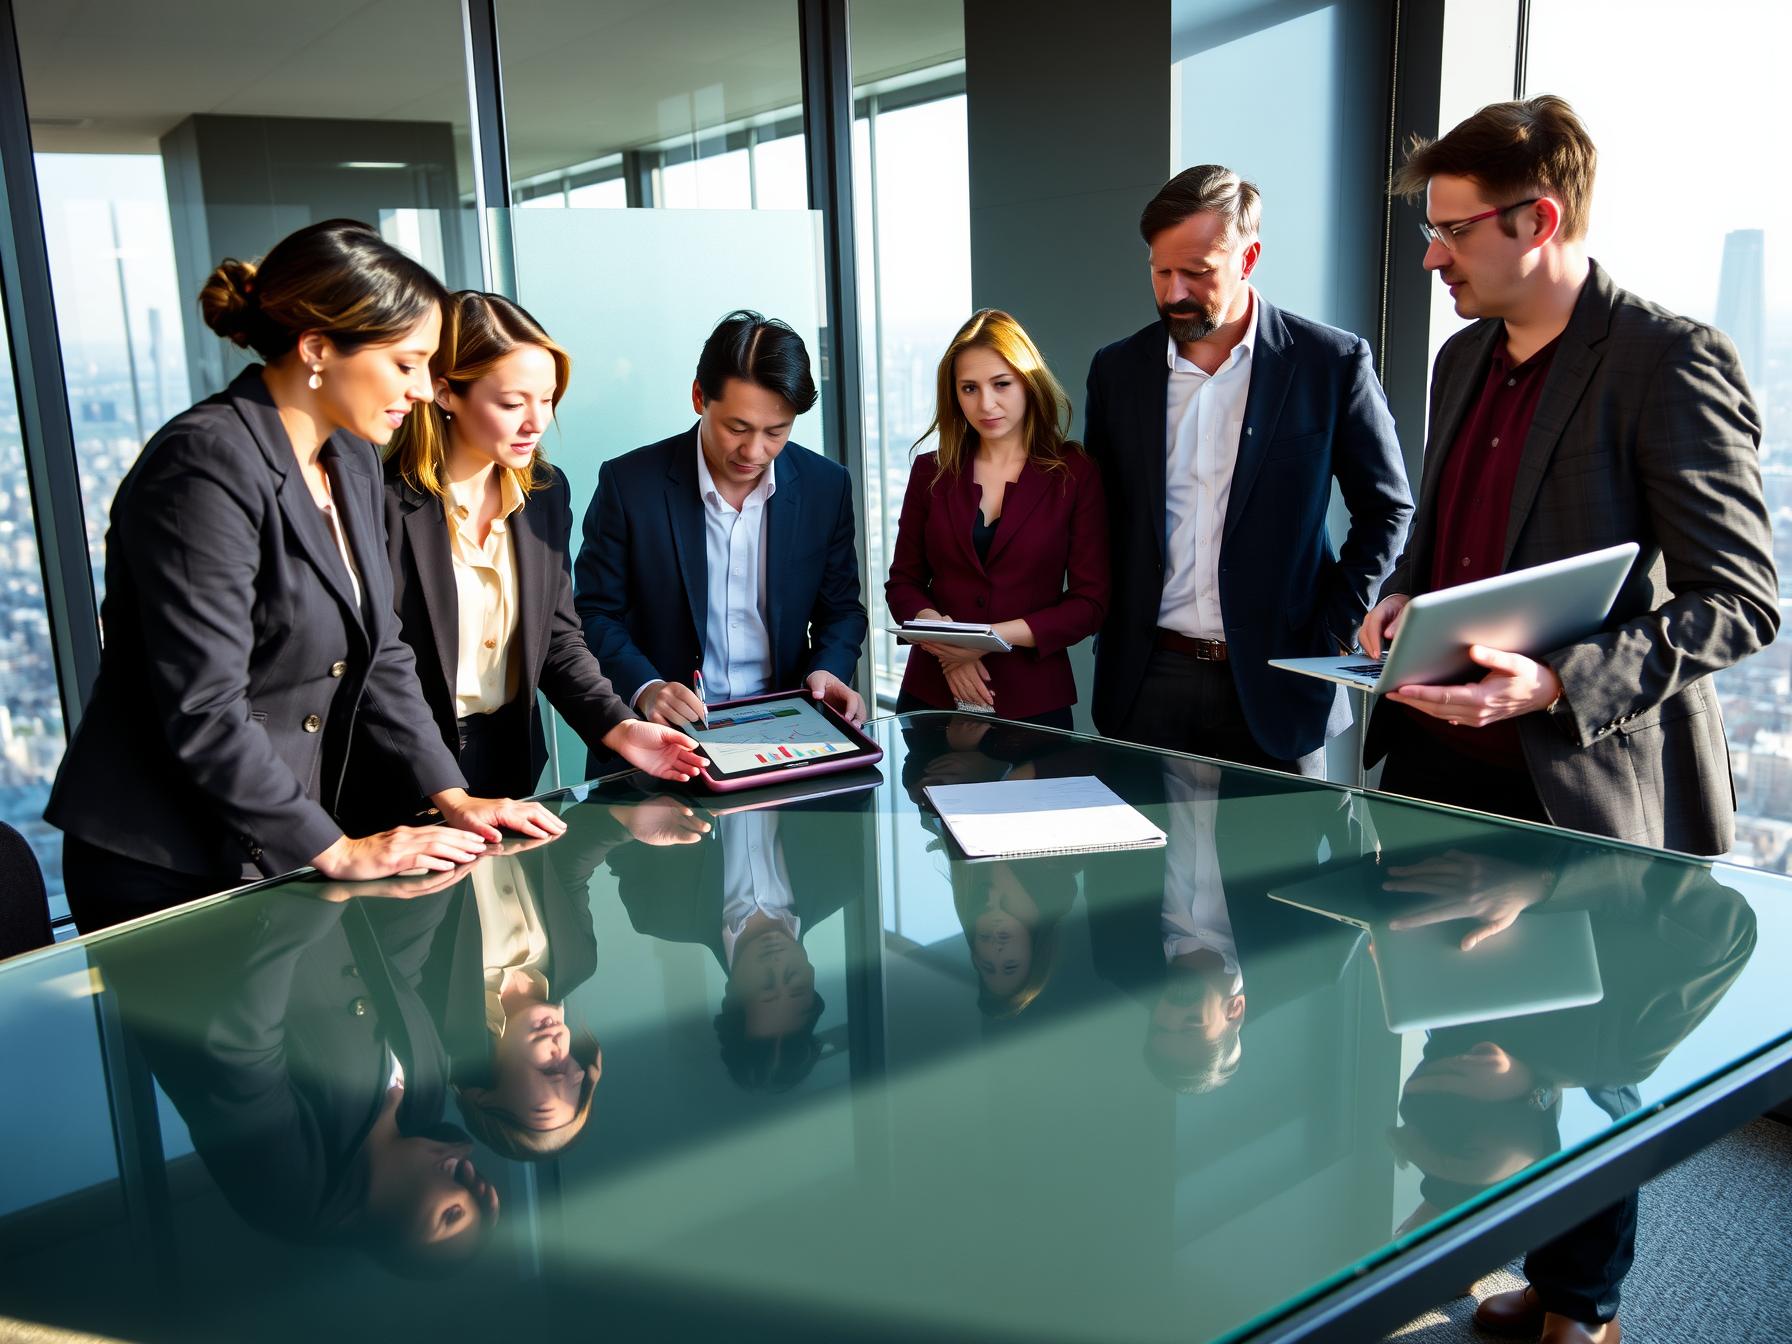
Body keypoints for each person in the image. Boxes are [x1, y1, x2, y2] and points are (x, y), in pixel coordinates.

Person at [1364, 95, 1780, 1344]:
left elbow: (1741, 600)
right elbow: (1444, 538)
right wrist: (1398, 600)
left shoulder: (1666, 358)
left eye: (1449, 233)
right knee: (1459, 1043)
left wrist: (1554, 683)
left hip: (1579, 784)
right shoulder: (1458, 358)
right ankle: (1483, 1266)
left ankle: (1580, 1311)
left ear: (1537, 219)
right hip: (1445, 770)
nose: (1428, 257)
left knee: (1588, 1065)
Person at [44, 220, 558, 934]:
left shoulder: (348, 460)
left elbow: (382, 652)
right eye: (405, 363)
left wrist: (454, 795)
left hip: (277, 839)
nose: (420, 391)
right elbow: (203, 706)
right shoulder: (204, 467)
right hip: (170, 862)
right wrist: (336, 849)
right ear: (318, 349)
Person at [1084, 164, 1412, 775]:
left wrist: (1334, 628)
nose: (1174, 292)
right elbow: (1101, 512)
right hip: (1145, 677)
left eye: (1198, 273)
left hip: (1283, 681)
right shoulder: (1116, 371)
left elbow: (1387, 507)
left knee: (1290, 869)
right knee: (1139, 869)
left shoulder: (1331, 363)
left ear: (1249, 257)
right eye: (1161, 272)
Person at [339, 291, 703, 834]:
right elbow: (377, 664)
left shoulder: (544, 493)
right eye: (513, 404)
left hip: (510, 769)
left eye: (548, 399)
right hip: (397, 779)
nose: (538, 422)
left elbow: (558, 638)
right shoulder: (381, 502)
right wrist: (453, 795)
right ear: (444, 392)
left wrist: (622, 728)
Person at [573, 310, 868, 777]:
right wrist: (646, 687)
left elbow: (842, 611)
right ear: (698, 397)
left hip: (787, 733)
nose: (754, 452)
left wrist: (829, 669)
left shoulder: (825, 486)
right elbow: (594, 612)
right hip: (664, 741)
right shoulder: (629, 484)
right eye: (737, 428)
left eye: (777, 432)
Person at [886, 309, 1108, 728]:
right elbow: (904, 583)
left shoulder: (1074, 472)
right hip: (931, 696)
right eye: (969, 388)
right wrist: (947, 646)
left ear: (1029, 382)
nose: (985, 404)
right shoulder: (930, 471)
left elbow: (1089, 604)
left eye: (1001, 384)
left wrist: (985, 641)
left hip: (1034, 705)